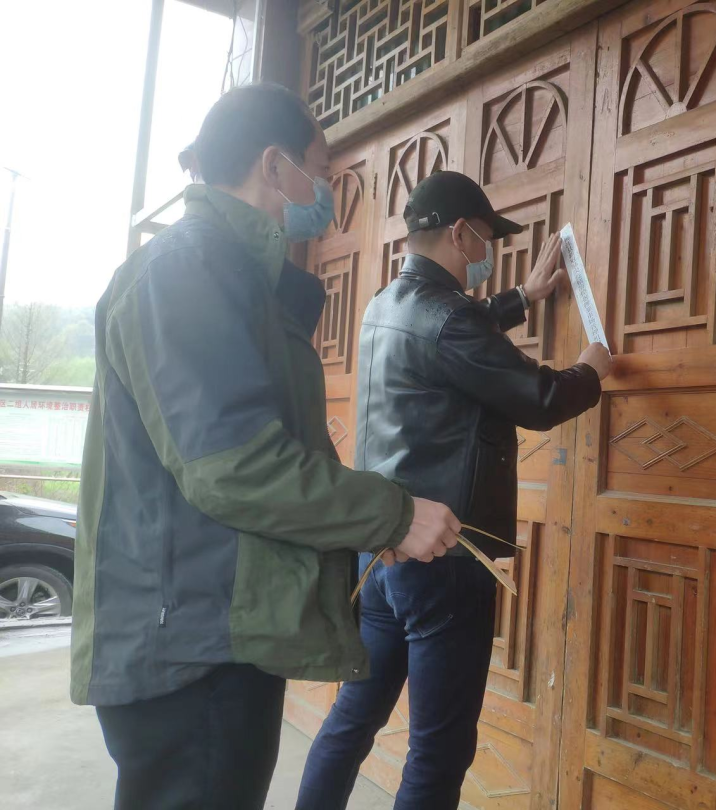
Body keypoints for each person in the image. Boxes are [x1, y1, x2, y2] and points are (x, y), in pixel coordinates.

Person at [70, 83, 460, 810]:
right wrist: (393, 514)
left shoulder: (234, 275)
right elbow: (233, 465)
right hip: (188, 642)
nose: (330, 194)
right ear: (275, 166)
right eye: (323, 171)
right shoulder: (186, 269)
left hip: (221, 628)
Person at [296, 171, 613, 809]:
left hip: (381, 551)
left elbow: (450, 335)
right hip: (444, 559)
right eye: (486, 239)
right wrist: (592, 368)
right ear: (461, 234)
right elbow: (540, 397)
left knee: (352, 722)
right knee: (437, 754)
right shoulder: (448, 318)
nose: (486, 254)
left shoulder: (382, 305)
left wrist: (521, 298)